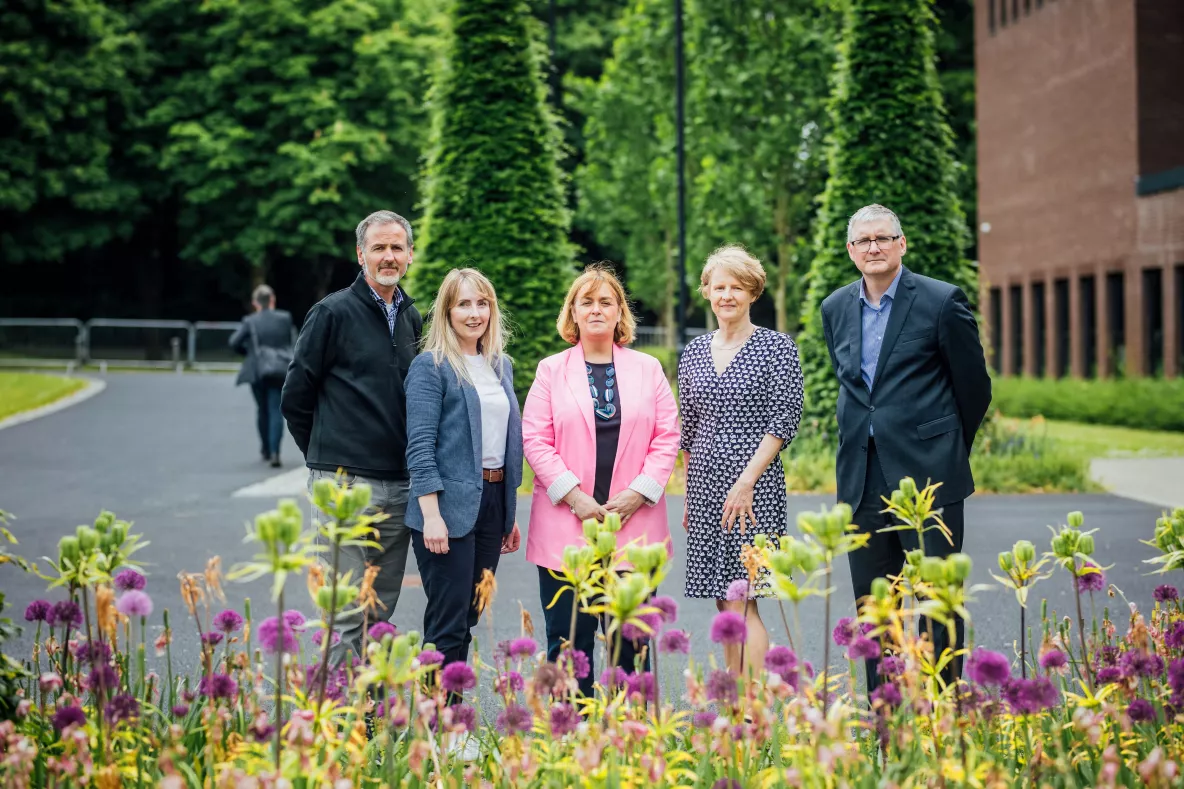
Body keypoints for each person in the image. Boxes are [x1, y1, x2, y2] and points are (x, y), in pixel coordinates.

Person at [819, 203, 991, 693]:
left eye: (882, 238)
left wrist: (946, 448)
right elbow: (854, 387)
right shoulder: (835, 308)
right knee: (874, 606)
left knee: (936, 599)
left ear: (901, 244)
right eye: (863, 241)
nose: (873, 247)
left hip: (930, 476)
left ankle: (945, 709)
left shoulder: (940, 301)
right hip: (862, 477)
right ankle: (886, 715)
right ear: (851, 252)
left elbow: (973, 387)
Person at [522, 264, 680, 696]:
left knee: (631, 642)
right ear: (572, 311)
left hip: (634, 527)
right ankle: (570, 735)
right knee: (568, 642)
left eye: (605, 302)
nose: (596, 309)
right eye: (586, 301)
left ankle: (629, 740)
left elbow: (668, 436)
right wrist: (575, 498)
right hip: (566, 527)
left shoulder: (647, 369)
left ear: (619, 312)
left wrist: (637, 494)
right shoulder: (550, 370)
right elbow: (535, 439)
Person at [281, 210, 423, 663]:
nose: (388, 256)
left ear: (410, 255)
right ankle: (342, 726)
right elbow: (295, 397)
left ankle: (374, 719)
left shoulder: (412, 317)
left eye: (396, 248)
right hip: (344, 487)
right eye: (378, 248)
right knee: (347, 613)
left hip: (399, 487)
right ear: (360, 254)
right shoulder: (331, 313)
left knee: (380, 613)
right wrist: (326, 459)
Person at [677, 245, 804, 678]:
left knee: (742, 595)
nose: (726, 295)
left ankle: (752, 707)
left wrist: (747, 480)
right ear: (707, 292)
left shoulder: (777, 347)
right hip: (706, 486)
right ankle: (733, 699)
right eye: (719, 286)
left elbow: (785, 418)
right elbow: (689, 429)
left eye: (737, 287)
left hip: (755, 487)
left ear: (753, 293)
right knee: (722, 598)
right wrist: (692, 496)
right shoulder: (692, 352)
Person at [404, 268, 523, 676]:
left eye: (482, 303)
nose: (475, 313)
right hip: (445, 510)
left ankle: (448, 720)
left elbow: (504, 442)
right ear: (447, 311)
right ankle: (438, 729)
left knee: (470, 615)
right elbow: (419, 448)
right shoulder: (430, 366)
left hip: (492, 503)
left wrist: (508, 512)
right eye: (464, 304)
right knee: (448, 621)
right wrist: (432, 515)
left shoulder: (500, 365)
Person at [229, 284, 294, 468]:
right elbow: (290, 342)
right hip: (279, 368)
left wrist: (248, 353)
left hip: (257, 369)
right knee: (276, 409)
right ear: (272, 300)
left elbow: (234, 342)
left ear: (255, 303)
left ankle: (265, 449)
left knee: (262, 409)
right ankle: (275, 451)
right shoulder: (285, 318)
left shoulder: (250, 321)